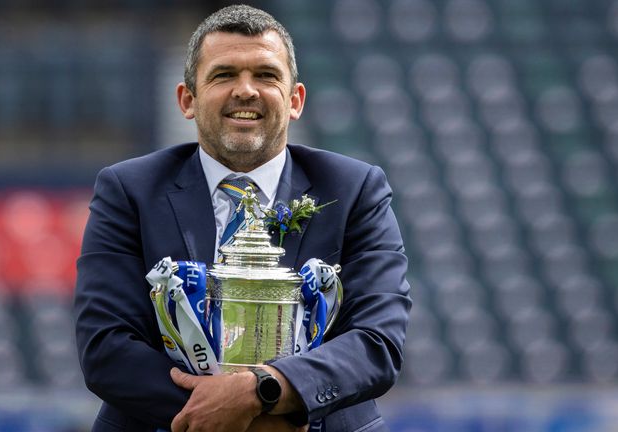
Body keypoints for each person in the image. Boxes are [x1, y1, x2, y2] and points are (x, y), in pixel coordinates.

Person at [74, 5, 411, 432]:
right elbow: (105, 346)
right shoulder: (129, 190)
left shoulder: (355, 188)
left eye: (266, 75)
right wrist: (228, 416)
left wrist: (265, 394)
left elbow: (377, 341)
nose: (245, 90)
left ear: (295, 101)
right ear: (187, 100)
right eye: (223, 75)